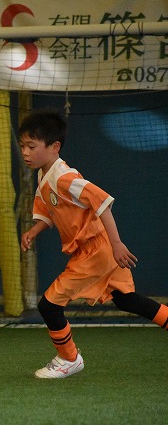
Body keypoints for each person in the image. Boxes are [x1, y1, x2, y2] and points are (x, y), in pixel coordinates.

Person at [19, 110, 168, 378]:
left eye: (31, 146)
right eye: (22, 146)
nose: (25, 152)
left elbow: (102, 202)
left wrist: (116, 243)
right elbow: (49, 211)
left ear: (54, 147)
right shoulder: (44, 175)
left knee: (48, 306)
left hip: (96, 251)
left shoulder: (64, 177)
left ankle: (69, 359)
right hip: (98, 249)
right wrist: (34, 230)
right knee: (127, 300)